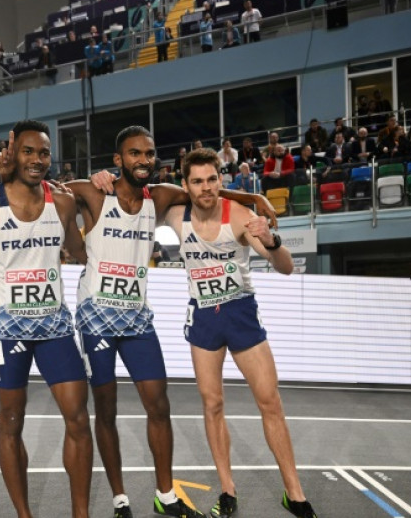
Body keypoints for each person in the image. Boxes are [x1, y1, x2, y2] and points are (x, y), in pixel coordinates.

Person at [75, 126, 278, 518]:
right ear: (118, 160)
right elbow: (49, 188)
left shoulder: (160, 196)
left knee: (159, 406)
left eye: (149, 154)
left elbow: (207, 194)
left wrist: (251, 196)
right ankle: (120, 498)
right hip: (96, 318)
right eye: (134, 154)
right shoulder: (93, 191)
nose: (143, 161)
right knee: (106, 410)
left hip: (136, 318)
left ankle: (165, 495)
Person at [0, 120, 93, 518]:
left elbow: (82, 253)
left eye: (44, 153)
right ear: (12, 154)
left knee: (79, 419)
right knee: (11, 419)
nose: (37, 160)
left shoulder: (61, 203)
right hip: (8, 330)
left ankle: (81, 513)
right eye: (28, 151)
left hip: (54, 328)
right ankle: (24, 514)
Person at [163, 148, 317, 518]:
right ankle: (228, 490)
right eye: (197, 181)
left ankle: (293, 494)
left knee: (270, 402)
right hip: (203, 318)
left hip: (240, 313)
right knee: (212, 405)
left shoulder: (241, 218)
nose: (206, 188)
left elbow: (285, 269)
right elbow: (147, 192)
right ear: (186, 185)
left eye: (212, 180)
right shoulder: (173, 215)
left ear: (222, 180)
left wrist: (274, 239)